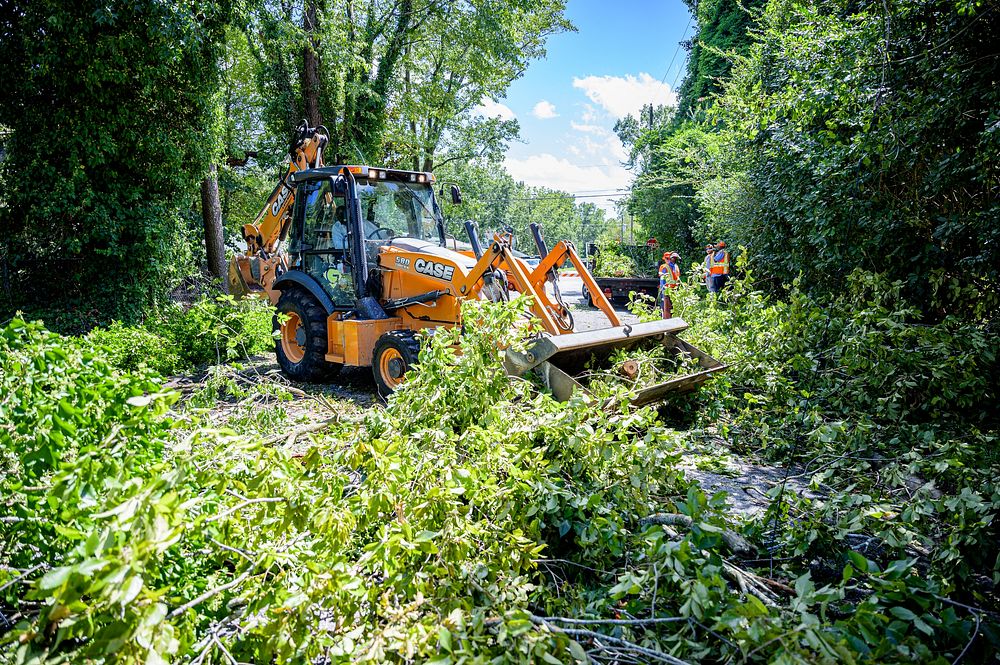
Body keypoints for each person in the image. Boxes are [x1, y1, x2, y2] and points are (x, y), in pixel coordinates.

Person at [659, 251, 681, 318]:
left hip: (674, 288)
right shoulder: (664, 267)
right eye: (667, 259)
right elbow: (662, 279)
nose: (668, 260)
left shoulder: (675, 266)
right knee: (666, 306)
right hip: (667, 289)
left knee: (672, 305)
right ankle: (666, 319)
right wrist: (664, 289)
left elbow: (677, 277)